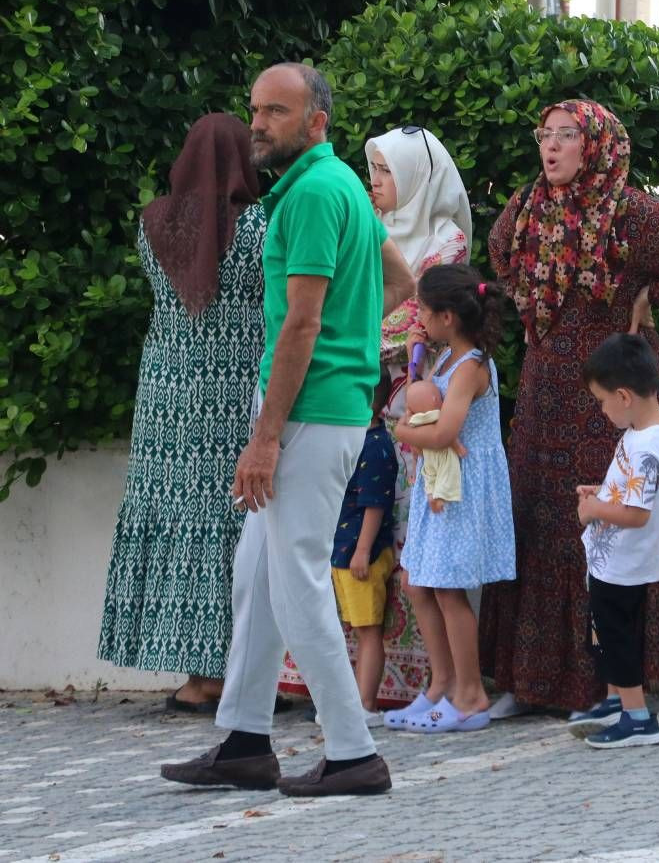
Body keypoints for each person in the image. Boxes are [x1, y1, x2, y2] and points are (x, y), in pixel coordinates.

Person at [160, 62, 415, 796]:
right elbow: (399, 278)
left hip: (306, 413)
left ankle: (354, 753)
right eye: (255, 110)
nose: (258, 124)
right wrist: (355, 346)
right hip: (322, 406)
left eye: (276, 111)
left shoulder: (310, 194)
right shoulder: (339, 186)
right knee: (257, 574)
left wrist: (265, 436)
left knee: (297, 580)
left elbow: (302, 323)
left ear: (316, 122)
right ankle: (244, 740)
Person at [478, 99, 659, 718]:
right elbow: (499, 251)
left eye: (566, 135)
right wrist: (534, 293)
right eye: (545, 134)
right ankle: (528, 681)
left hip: (611, 395)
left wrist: (648, 297)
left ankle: (605, 687)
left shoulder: (628, 212)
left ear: (594, 145)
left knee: (600, 530)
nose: (551, 146)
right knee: (537, 520)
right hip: (546, 389)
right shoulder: (527, 206)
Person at [97, 112, 265, 713]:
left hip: (167, 394)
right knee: (235, 521)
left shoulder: (153, 225)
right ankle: (235, 672)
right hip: (236, 389)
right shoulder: (261, 227)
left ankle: (198, 676)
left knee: (178, 518)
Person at [385, 264, 516, 733]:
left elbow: (442, 432)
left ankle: (471, 694)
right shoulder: (443, 361)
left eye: (423, 309)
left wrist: (401, 431)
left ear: (447, 317)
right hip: (437, 484)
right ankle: (441, 684)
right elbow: (423, 406)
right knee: (416, 582)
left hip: (461, 488)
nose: (418, 317)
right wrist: (415, 364)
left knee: (446, 588)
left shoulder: (471, 366)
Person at [370, 126, 473, 708]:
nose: (375, 182)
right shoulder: (371, 229)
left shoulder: (446, 241)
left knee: (417, 537)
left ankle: (435, 679)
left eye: (387, 171)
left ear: (417, 177)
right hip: (368, 404)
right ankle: (363, 678)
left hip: (420, 409)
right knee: (366, 529)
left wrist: (359, 333)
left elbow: (410, 320)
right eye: (374, 170)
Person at [568, 333, 659, 749]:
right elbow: (634, 492)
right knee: (604, 632)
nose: (601, 409)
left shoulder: (649, 445)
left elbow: (636, 514)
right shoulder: (653, 426)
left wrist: (594, 509)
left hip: (624, 563)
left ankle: (637, 719)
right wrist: (602, 492)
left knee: (615, 636)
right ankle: (617, 701)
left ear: (623, 396)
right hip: (615, 561)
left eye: (601, 401)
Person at [327, 368, 399, 727]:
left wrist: (362, 551)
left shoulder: (376, 446)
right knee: (355, 629)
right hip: (343, 550)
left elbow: (375, 504)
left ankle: (365, 705)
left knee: (369, 630)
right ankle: (352, 701)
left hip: (360, 554)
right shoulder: (357, 440)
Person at [405, 377, 464, 513]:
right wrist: (458, 447)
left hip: (427, 454)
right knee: (447, 470)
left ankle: (430, 494)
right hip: (442, 452)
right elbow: (447, 434)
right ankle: (442, 496)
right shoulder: (437, 415)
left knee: (429, 474)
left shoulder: (414, 421)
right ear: (435, 399)